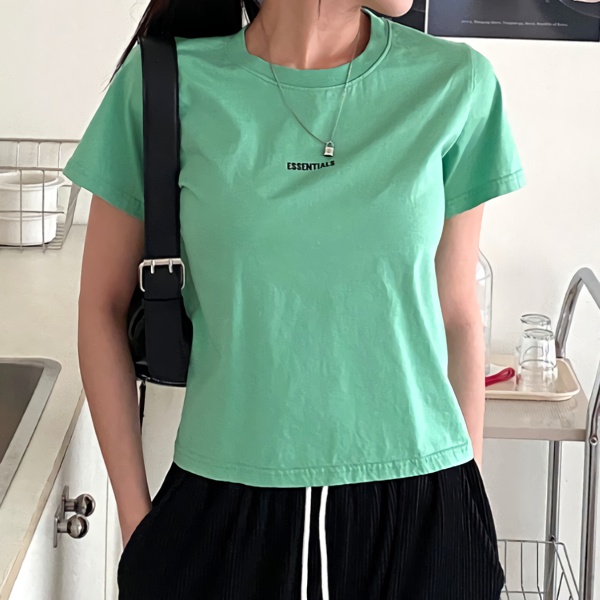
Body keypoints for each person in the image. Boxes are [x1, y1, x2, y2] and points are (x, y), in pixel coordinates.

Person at [63, 0, 526, 598]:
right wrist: (136, 524)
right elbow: (101, 305)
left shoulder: (455, 84)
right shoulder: (165, 85)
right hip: (225, 512)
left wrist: (466, 504)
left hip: (424, 509)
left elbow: (457, 315)